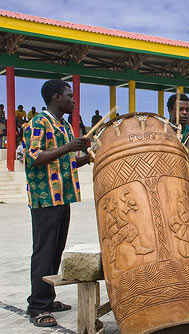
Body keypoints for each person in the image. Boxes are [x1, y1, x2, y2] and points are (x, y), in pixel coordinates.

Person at [24, 79, 90, 327]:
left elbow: (65, 162)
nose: (74, 100)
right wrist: (69, 147)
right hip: (45, 198)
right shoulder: (38, 123)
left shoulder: (63, 126)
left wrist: (83, 156)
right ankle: (37, 308)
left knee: (55, 251)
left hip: (62, 196)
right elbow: (35, 157)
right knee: (44, 252)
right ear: (55, 97)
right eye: (69, 96)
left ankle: (47, 298)